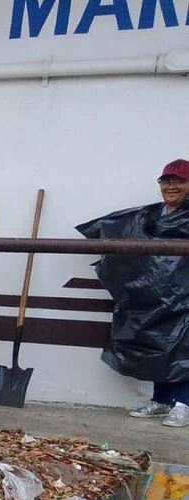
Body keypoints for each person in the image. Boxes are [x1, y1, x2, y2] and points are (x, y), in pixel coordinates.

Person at [77, 159, 189, 428]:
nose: (171, 186)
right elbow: (118, 227)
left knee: (183, 347)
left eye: (179, 181)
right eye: (166, 181)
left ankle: (184, 404)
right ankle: (161, 400)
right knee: (157, 345)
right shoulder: (148, 216)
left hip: (183, 297)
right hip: (152, 297)